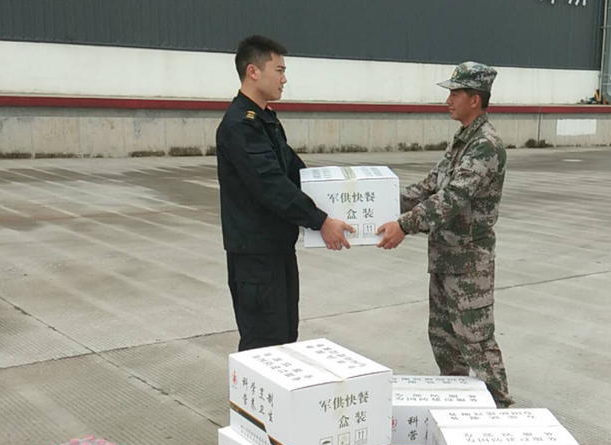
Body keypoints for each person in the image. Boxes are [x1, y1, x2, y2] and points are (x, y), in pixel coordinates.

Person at [376, 62, 513, 407]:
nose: (448, 100)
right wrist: (377, 203)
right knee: (444, 341)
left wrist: (404, 225)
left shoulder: (485, 144)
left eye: (455, 93)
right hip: (444, 257)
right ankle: (457, 405)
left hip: (469, 264)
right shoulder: (462, 141)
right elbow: (429, 186)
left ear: (475, 99)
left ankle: (500, 409)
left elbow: (452, 198)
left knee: (476, 341)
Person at [216, 35, 354, 351]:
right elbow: (271, 185)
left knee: (284, 334)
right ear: (253, 71)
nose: (284, 79)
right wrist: (320, 221)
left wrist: (341, 190)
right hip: (256, 256)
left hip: (276, 249)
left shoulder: (265, 120)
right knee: (265, 342)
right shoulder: (241, 126)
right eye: (279, 70)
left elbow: (294, 172)